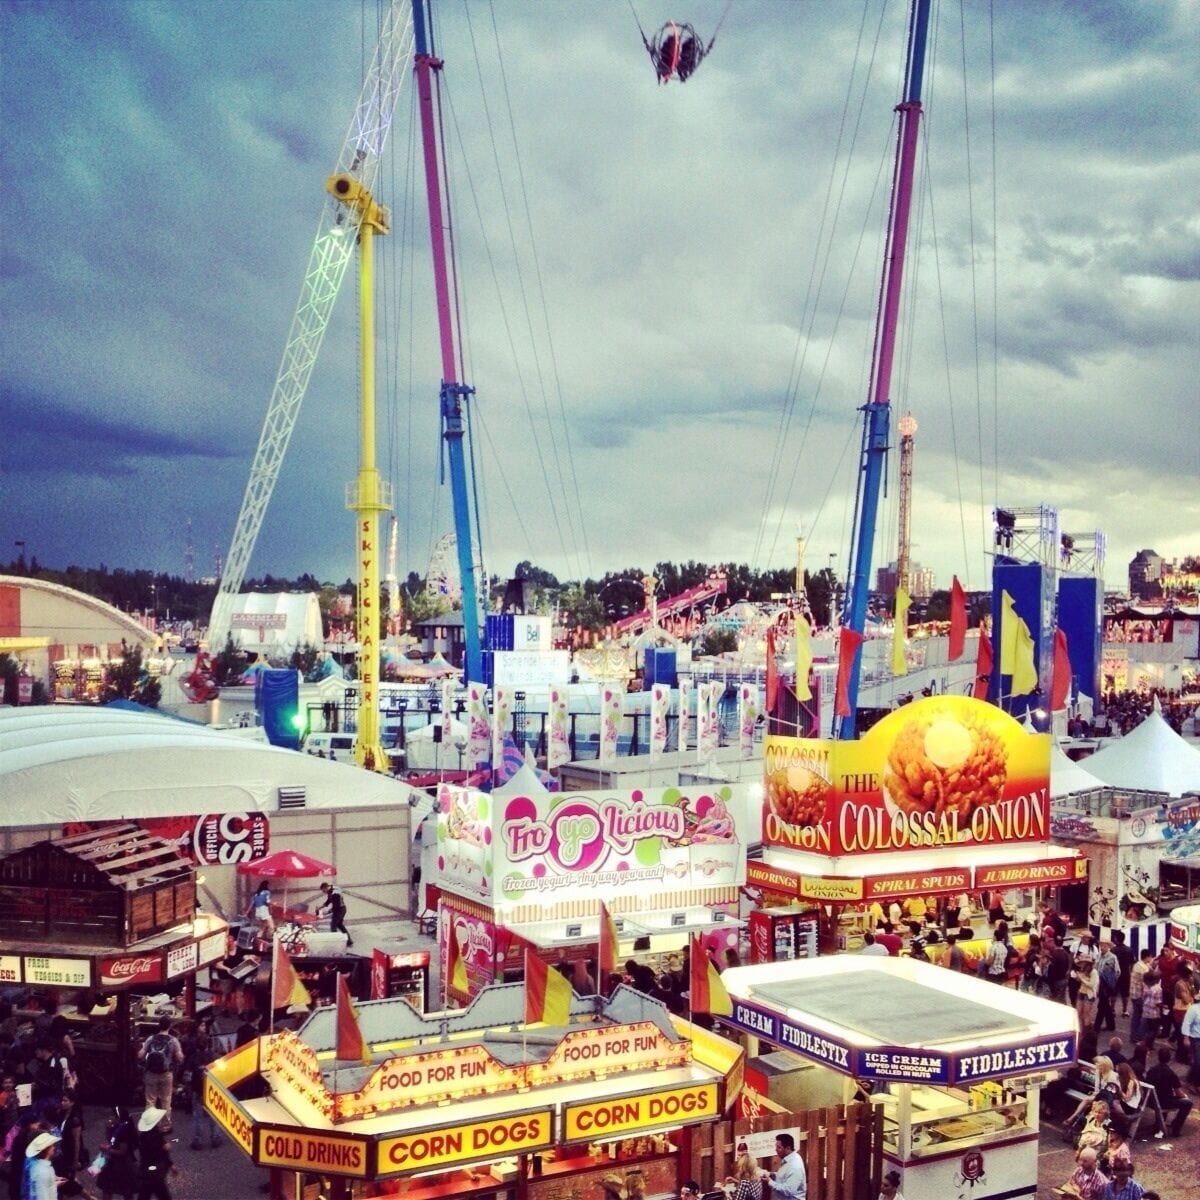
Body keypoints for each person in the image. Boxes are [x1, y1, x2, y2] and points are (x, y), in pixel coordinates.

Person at [137, 1020, 183, 1133]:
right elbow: (179, 1058)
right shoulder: (173, 1040)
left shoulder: (151, 1039)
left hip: (151, 1073)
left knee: (150, 1100)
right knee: (166, 1100)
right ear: (169, 1026)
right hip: (166, 1074)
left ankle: (150, 1125)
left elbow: (140, 1055)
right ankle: (165, 1126)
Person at [1145, 1045, 1193, 1137]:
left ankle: (1158, 1123)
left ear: (1158, 1057)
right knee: (1188, 1104)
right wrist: (1185, 1097)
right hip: (1164, 1102)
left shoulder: (1151, 1070)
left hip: (1151, 1101)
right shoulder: (1171, 1074)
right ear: (1169, 1059)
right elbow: (1179, 1093)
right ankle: (1176, 1127)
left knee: (1163, 1095)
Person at [96, 1106, 138, 1200]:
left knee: (123, 1190)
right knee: (112, 1189)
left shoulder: (123, 1132)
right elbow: (112, 1142)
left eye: (112, 1116)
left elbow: (122, 1151)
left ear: (118, 1118)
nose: (110, 1118)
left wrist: (106, 1150)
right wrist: (108, 1130)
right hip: (114, 1161)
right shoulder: (116, 1127)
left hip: (122, 1164)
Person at [135, 1109, 172, 1200]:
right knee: (163, 1196)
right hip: (154, 1173)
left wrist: (171, 1164)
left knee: (145, 1194)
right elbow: (154, 1153)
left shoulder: (144, 1135)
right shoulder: (154, 1136)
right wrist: (164, 1148)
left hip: (147, 1171)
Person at [23, 1131, 61, 1200]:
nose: (54, 1148)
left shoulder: (32, 1162)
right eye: (51, 1145)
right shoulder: (42, 1173)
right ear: (46, 1149)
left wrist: (54, 1182)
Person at [767, 1132, 806, 1199]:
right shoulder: (790, 1159)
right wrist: (772, 1174)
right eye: (776, 1147)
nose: (776, 1150)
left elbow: (789, 1190)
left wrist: (770, 1182)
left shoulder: (795, 1166)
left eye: (779, 1147)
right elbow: (786, 1176)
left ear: (788, 1148)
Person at [1096, 939, 1121, 1032]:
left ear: (1108, 947)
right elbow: (1096, 968)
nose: (1102, 948)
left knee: (1102, 1005)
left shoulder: (1113, 957)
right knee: (1105, 1005)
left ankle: (1096, 1027)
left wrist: (1111, 982)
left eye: (1104, 946)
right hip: (1099, 983)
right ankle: (1111, 1025)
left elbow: (1117, 971)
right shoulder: (1098, 956)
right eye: (1101, 946)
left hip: (1106, 985)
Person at [1111, 931, 1134, 1018]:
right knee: (1125, 994)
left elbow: (1110, 963)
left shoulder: (1113, 950)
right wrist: (1130, 972)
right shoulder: (1129, 949)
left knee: (1113, 993)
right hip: (1126, 974)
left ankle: (1112, 1010)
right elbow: (1132, 963)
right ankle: (1125, 1010)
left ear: (1116, 939)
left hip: (1115, 974)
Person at [1182, 990, 1200, 1087]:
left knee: (1197, 1062)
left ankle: (1190, 1079)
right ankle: (1196, 1084)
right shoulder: (1194, 1009)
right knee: (1198, 1062)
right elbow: (1186, 1023)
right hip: (1195, 1038)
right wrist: (1186, 1037)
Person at [1075, 958, 1099, 1029]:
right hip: (1081, 992)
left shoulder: (1094, 972)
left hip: (1089, 995)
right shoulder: (1083, 970)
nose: (1081, 964)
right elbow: (1080, 981)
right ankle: (1080, 1029)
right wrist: (1077, 977)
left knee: (1086, 1014)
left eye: (1083, 962)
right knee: (1078, 1013)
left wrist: (1082, 979)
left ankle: (1086, 1031)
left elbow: (1092, 984)